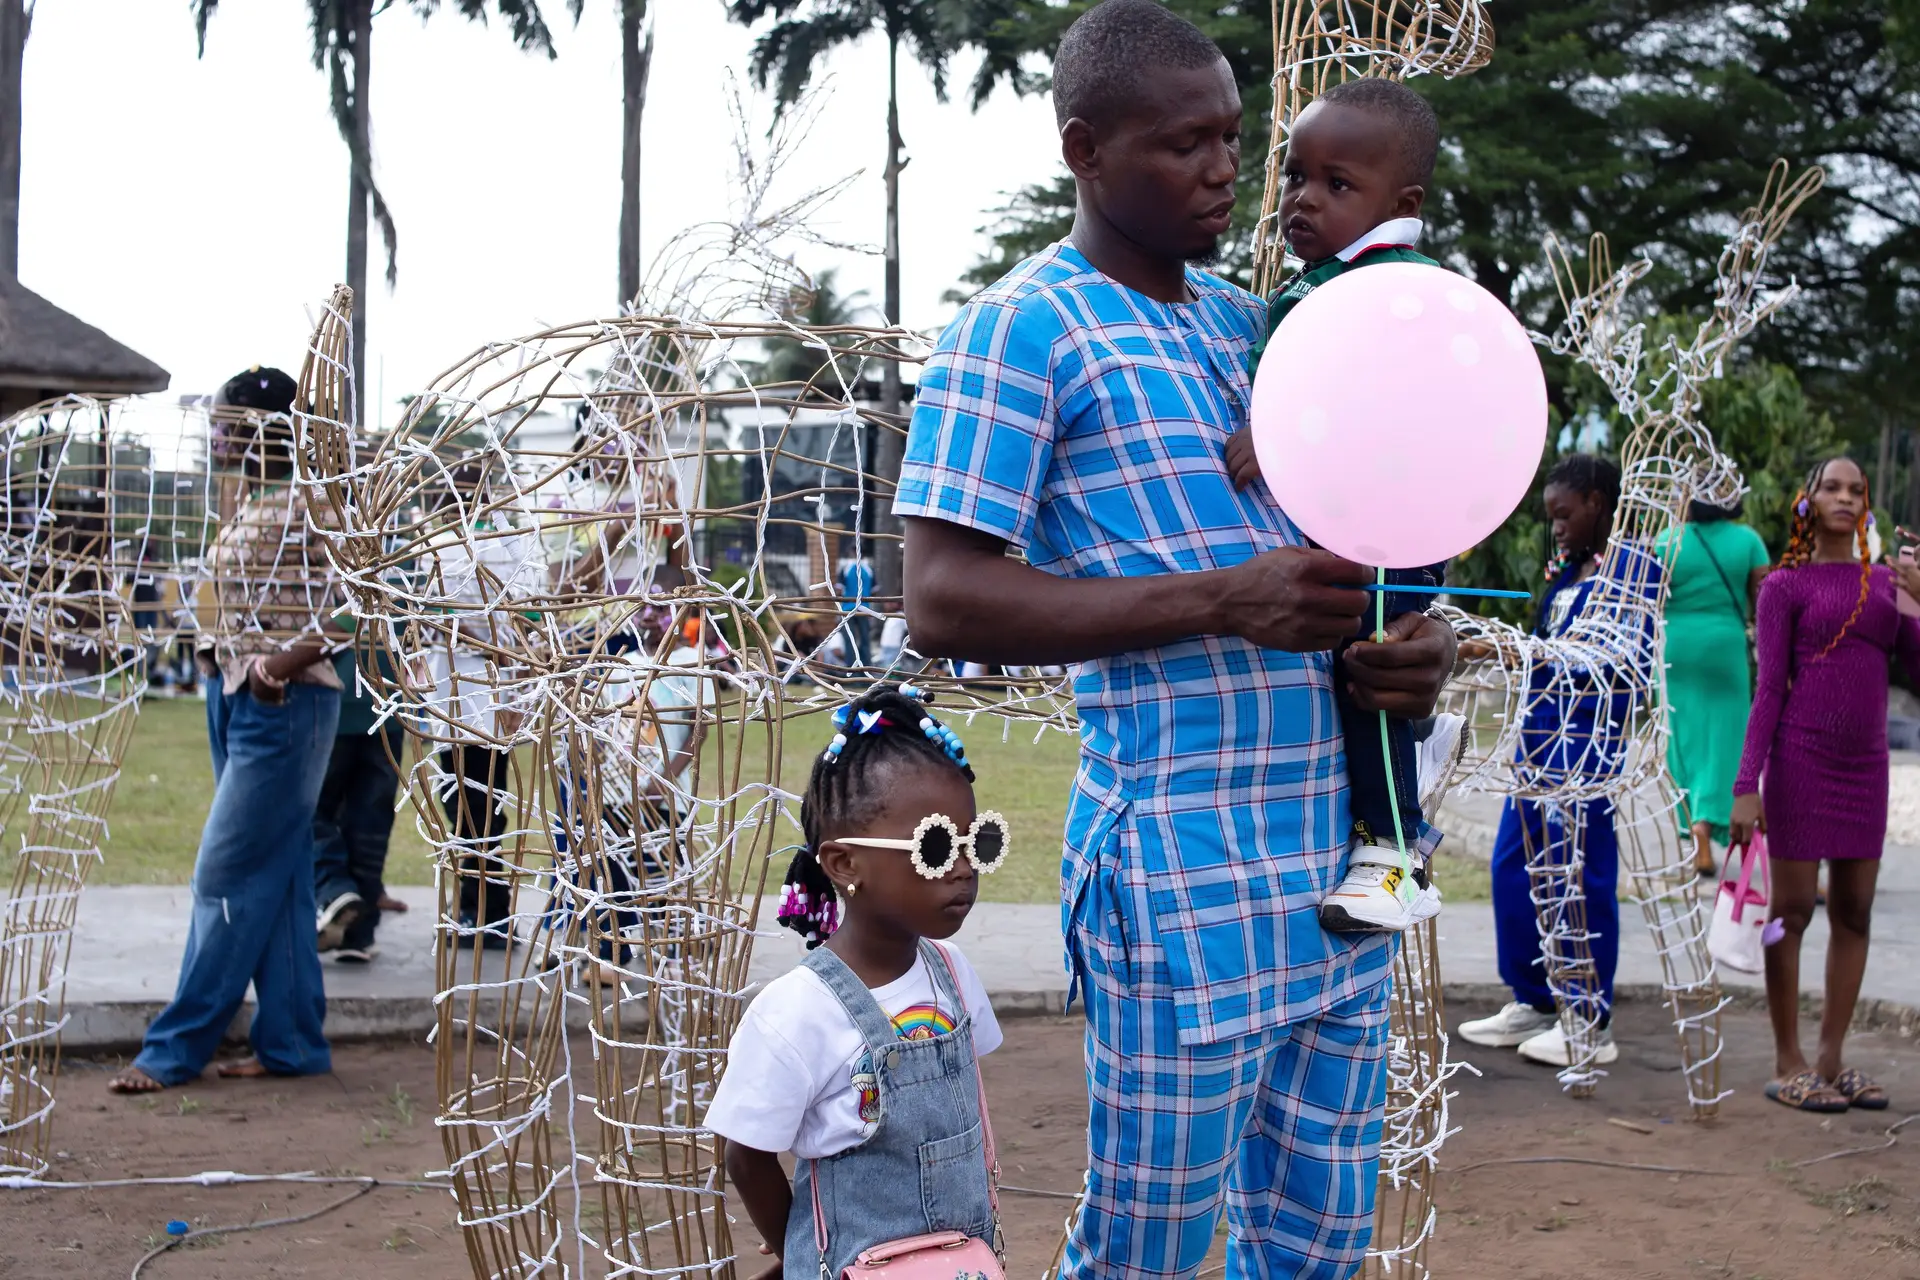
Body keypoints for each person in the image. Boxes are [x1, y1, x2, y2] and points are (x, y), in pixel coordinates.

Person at [895, 3, 1457, 1273]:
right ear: (1084, 151)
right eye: (1183, 145)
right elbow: (942, 596)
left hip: (1345, 873)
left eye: (1232, 141)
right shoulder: (1020, 330)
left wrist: (1421, 653)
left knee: (1316, 1242)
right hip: (1181, 881)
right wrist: (1218, 598)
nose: (1222, 173)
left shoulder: (1265, 326)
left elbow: (1389, 527)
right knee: (1146, 1244)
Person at [1225, 77, 1459, 933]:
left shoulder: (1394, 287)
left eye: (1337, 184)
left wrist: (1282, 433)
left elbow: (1396, 401)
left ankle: (1396, 854)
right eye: (1295, 176)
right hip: (1362, 523)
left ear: (1403, 203)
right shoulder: (1338, 278)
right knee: (1362, 672)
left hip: (1391, 528)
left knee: (1368, 678)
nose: (1303, 200)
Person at [710, 686, 1005, 1278]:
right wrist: (804, 1248)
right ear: (845, 864)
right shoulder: (797, 1011)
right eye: (937, 847)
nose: (965, 868)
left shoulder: (952, 975)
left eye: (980, 843)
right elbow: (746, 1158)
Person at [109, 366, 349, 1094]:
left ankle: (174, 1049)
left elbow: (358, 605)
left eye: (227, 421)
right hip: (236, 695)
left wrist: (279, 664)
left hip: (285, 702)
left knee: (224, 875)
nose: (215, 433)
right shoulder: (251, 497)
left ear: (267, 427)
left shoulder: (316, 503)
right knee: (275, 885)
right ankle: (293, 1044)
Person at [1459, 454, 1658, 1068]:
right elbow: (1552, 649)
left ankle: (1588, 1019)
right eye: (1552, 519)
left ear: (1598, 501)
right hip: (1538, 736)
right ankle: (1536, 1000)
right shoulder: (1568, 572)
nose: (1558, 529)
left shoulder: (1633, 569)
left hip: (1586, 742)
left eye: (1565, 514)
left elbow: (1621, 656)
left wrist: (1518, 651)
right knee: (1513, 866)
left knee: (1578, 875)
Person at [1731, 457, 1916, 1112]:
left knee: (1855, 910)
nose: (1844, 496)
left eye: (1855, 489)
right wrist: (1745, 783)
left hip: (1866, 766)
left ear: (1868, 506)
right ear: (1807, 502)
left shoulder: (1890, 584)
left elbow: (1916, 674)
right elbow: (1767, 689)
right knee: (1791, 912)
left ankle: (1834, 1057)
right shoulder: (1784, 586)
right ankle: (1788, 1059)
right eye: (1831, 487)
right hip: (1801, 761)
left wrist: (1917, 600)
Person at [1656, 498, 1770, 876]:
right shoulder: (1749, 540)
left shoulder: (1667, 540)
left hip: (1675, 649)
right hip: (1725, 648)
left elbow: (1650, 598)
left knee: (1682, 737)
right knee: (1726, 740)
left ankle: (1695, 830)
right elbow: (1765, 601)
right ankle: (1710, 819)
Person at [313, 639, 405, 962]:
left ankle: (335, 891)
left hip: (332, 695)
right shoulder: (423, 583)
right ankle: (358, 931)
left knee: (311, 810)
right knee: (370, 823)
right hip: (388, 701)